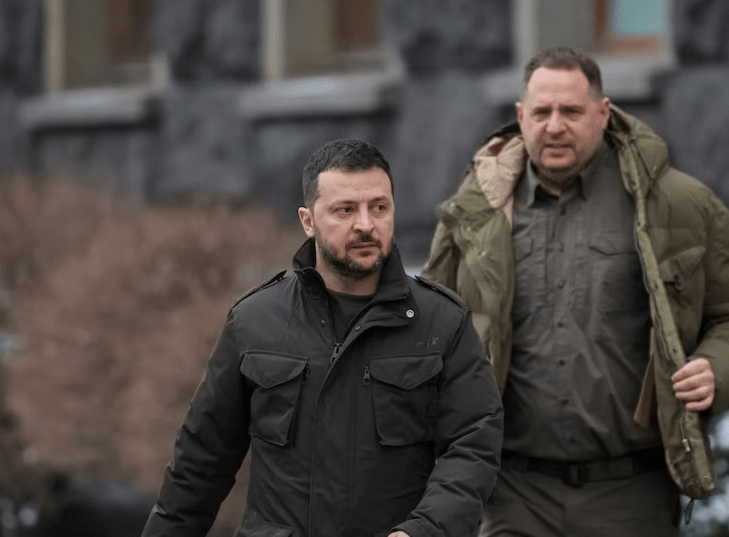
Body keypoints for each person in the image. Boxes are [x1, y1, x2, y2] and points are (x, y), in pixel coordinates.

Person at [422, 47, 729, 536]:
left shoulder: (675, 204)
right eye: (542, 112)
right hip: (513, 493)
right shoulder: (474, 212)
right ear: (520, 117)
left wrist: (719, 368)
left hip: (631, 494)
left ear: (604, 114)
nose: (554, 126)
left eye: (572, 111)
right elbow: (425, 330)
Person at [142, 139, 504, 537]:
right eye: (345, 210)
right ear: (308, 220)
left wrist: (425, 530)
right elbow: (199, 464)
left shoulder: (442, 323)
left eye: (378, 207)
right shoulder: (254, 321)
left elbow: (473, 447)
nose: (366, 224)